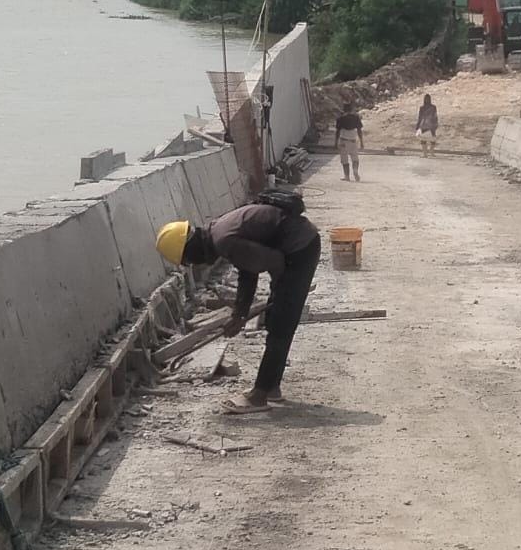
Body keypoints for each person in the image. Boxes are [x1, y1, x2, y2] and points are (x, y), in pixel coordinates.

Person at [155, 203, 321, 412]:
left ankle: (258, 396)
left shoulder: (224, 241)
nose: (195, 265)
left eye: (188, 260)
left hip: (300, 248)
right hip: (296, 246)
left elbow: (274, 261)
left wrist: (281, 293)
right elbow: (248, 270)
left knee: (281, 323)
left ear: (191, 248)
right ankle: (271, 388)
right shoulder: (218, 231)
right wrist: (240, 314)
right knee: (277, 320)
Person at [335, 100, 364, 180]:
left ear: (343, 109)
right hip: (353, 140)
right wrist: (361, 142)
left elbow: (338, 131)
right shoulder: (356, 118)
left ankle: (347, 176)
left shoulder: (340, 118)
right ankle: (355, 170)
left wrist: (335, 142)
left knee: (344, 160)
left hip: (344, 141)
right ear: (351, 109)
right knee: (355, 158)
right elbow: (359, 130)